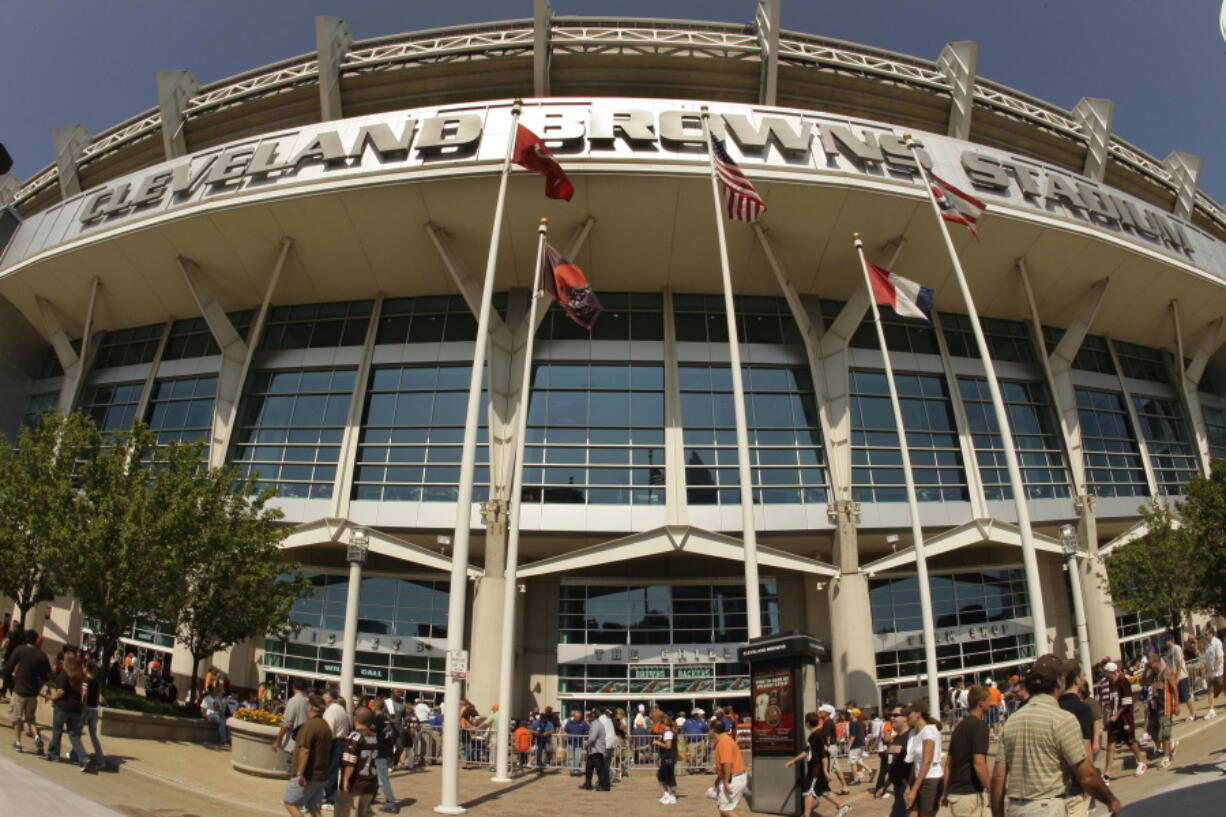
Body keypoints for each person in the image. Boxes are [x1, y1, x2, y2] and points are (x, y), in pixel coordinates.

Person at [990, 655, 1120, 817]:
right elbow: (1086, 775)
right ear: (1060, 681)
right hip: (1048, 807)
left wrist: (998, 813)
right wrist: (1110, 800)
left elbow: (998, 775)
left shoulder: (1012, 721)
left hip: (1017, 808)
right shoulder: (1061, 719)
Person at [785, 711, 851, 817]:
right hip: (815, 767)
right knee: (824, 790)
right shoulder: (814, 735)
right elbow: (808, 751)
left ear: (808, 723)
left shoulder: (818, 735)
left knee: (809, 791)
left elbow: (824, 754)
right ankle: (842, 806)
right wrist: (794, 760)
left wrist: (825, 770)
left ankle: (806, 815)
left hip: (817, 768)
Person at [1056, 661, 1097, 817]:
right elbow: (1085, 747)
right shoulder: (1081, 708)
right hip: (1075, 784)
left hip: (1056, 784)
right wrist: (1090, 781)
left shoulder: (1053, 706)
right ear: (1077, 680)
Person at [942, 685, 990, 817]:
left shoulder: (959, 727)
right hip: (970, 795)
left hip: (957, 794)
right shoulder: (980, 726)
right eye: (989, 700)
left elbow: (948, 764)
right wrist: (991, 789)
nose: (990, 704)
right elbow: (979, 763)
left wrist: (945, 792)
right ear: (981, 702)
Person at [284, 694, 335, 817]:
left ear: (310, 708)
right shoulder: (326, 727)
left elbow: (304, 750)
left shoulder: (309, 726)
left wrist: (300, 774)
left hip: (308, 775)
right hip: (321, 775)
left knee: (290, 802)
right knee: (313, 807)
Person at [3, 629, 50, 754]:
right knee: (31, 719)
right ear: (36, 640)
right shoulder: (41, 655)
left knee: (17, 718)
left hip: (19, 689)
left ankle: (18, 743)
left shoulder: (19, 650)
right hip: (32, 692)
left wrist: (9, 676)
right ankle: (36, 736)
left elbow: (8, 666)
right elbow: (46, 676)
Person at [45, 652, 92, 772]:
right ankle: (83, 757)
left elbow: (60, 691)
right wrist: (83, 710)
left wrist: (52, 697)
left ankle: (54, 754)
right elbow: (83, 694)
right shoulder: (79, 676)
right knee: (74, 736)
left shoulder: (63, 674)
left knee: (57, 730)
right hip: (76, 709)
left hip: (62, 707)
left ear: (64, 661)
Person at [1100, 661, 1147, 779]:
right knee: (1110, 744)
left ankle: (1141, 761)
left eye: (1106, 672)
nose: (1104, 675)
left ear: (1111, 672)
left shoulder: (1123, 682)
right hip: (1114, 719)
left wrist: (1117, 714)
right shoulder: (1110, 684)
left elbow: (1127, 701)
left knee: (1130, 741)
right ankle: (1107, 773)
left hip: (1124, 718)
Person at [336, 706, 379, 817]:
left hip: (355, 785)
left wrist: (345, 780)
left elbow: (350, 761)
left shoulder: (355, 736)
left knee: (346, 813)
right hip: (370, 784)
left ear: (355, 718)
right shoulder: (374, 737)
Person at [902, 700, 943, 817]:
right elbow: (915, 762)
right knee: (910, 813)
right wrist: (910, 785)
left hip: (931, 780)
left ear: (918, 714)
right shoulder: (913, 733)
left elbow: (927, 761)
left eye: (908, 714)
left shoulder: (929, 730)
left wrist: (914, 789)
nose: (906, 718)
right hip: (917, 778)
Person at [1144, 649, 1179, 769]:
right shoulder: (1153, 675)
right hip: (1155, 707)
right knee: (1154, 731)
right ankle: (1170, 747)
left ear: (1155, 662)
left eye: (1150, 664)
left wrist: (1177, 704)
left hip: (1166, 707)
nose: (1149, 666)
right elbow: (1142, 682)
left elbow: (1174, 688)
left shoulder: (1166, 672)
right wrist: (1145, 670)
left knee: (1165, 733)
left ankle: (1166, 758)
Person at [875, 706, 911, 817]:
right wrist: (885, 787)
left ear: (906, 718)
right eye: (891, 715)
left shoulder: (911, 737)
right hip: (897, 787)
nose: (892, 718)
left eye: (895, 715)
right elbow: (894, 766)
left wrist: (910, 788)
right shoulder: (896, 738)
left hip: (905, 787)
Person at [710, 718, 748, 817]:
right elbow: (723, 765)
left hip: (733, 778)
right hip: (733, 777)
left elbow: (727, 763)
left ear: (712, 730)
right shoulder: (724, 739)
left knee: (725, 810)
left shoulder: (724, 741)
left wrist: (726, 782)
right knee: (723, 808)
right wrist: (718, 780)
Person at [323, 689, 353, 807]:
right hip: (341, 740)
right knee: (335, 770)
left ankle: (331, 798)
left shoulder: (332, 710)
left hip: (334, 741)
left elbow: (328, 729)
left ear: (329, 699)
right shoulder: (340, 709)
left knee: (331, 770)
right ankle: (332, 795)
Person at [275, 676, 311, 774]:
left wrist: (277, 741)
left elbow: (286, 724)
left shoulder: (293, 701)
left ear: (293, 687)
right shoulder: (309, 701)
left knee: (292, 776)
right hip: (306, 745)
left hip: (292, 745)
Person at [368, 699, 399, 813]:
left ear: (375, 707)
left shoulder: (377, 719)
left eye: (372, 706)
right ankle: (371, 797)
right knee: (376, 776)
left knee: (382, 778)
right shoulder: (386, 719)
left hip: (380, 751)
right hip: (388, 751)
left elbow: (372, 733)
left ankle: (390, 802)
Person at [1162, 633, 1196, 722]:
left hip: (1181, 676)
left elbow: (1180, 663)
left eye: (1167, 641)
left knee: (1186, 695)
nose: (1165, 643)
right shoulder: (1169, 651)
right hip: (1174, 677)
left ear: (1171, 640)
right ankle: (1172, 716)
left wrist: (1177, 677)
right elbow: (1169, 666)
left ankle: (1193, 714)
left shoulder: (1177, 648)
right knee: (1176, 697)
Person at [80, 659, 107, 770]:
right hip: (94, 710)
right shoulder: (96, 682)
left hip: (86, 709)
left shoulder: (86, 681)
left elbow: (84, 696)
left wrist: (82, 708)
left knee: (76, 734)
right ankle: (101, 760)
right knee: (93, 736)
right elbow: (98, 698)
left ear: (86, 668)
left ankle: (77, 755)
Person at [653, 709, 678, 805]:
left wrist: (658, 742)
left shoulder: (668, 733)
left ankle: (673, 795)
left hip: (669, 756)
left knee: (669, 776)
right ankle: (667, 793)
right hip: (668, 756)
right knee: (662, 775)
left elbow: (668, 746)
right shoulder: (666, 733)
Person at [581, 709, 611, 791]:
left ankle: (604, 786)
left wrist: (586, 743)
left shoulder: (594, 724)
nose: (588, 719)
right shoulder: (599, 724)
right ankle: (588, 784)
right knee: (589, 767)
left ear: (592, 717)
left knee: (600, 769)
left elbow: (592, 738)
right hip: (596, 749)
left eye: (589, 717)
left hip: (596, 750)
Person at [1202, 625, 1223, 718]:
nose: (1205, 636)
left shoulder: (1217, 642)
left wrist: (1215, 671)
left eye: (1206, 634)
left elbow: (1219, 658)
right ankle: (1211, 710)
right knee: (1210, 690)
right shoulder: (1206, 646)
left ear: (1211, 634)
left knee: (1218, 689)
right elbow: (1206, 661)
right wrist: (1205, 672)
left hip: (1219, 672)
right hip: (1210, 674)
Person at [563, 709, 589, 776]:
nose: (578, 717)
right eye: (577, 716)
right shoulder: (569, 723)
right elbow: (565, 730)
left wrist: (585, 733)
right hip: (570, 742)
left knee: (578, 756)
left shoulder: (583, 722)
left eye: (579, 716)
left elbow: (587, 730)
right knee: (571, 756)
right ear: (574, 716)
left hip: (579, 742)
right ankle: (572, 769)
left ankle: (576, 769)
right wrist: (566, 735)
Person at [529, 708, 555, 774]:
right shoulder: (536, 723)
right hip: (538, 741)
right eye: (542, 719)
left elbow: (553, 730)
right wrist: (536, 732)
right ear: (540, 718)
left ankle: (546, 762)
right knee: (538, 754)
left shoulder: (549, 723)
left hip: (546, 740)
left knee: (549, 751)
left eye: (545, 719)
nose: (544, 720)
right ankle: (539, 767)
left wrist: (547, 733)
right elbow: (530, 730)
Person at [847, 708, 870, 782]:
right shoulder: (857, 723)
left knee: (852, 761)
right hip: (860, 743)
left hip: (856, 745)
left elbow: (853, 736)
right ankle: (870, 771)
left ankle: (856, 779)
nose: (849, 715)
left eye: (851, 714)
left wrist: (848, 746)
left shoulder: (853, 724)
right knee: (858, 760)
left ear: (854, 715)